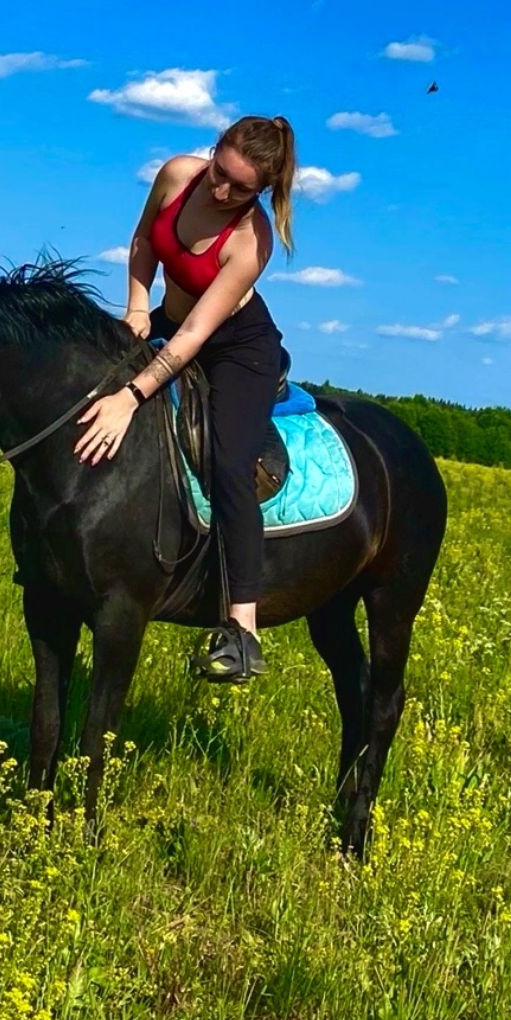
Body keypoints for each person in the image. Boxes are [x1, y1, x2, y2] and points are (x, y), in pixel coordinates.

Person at [74, 115, 296, 684]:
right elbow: (146, 239)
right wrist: (135, 306)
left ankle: (241, 630)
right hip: (165, 319)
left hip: (234, 349)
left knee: (228, 465)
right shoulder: (177, 174)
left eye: (241, 189)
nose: (221, 192)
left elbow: (195, 337)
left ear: (263, 192)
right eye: (220, 173)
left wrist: (131, 396)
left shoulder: (252, 241)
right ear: (214, 149)